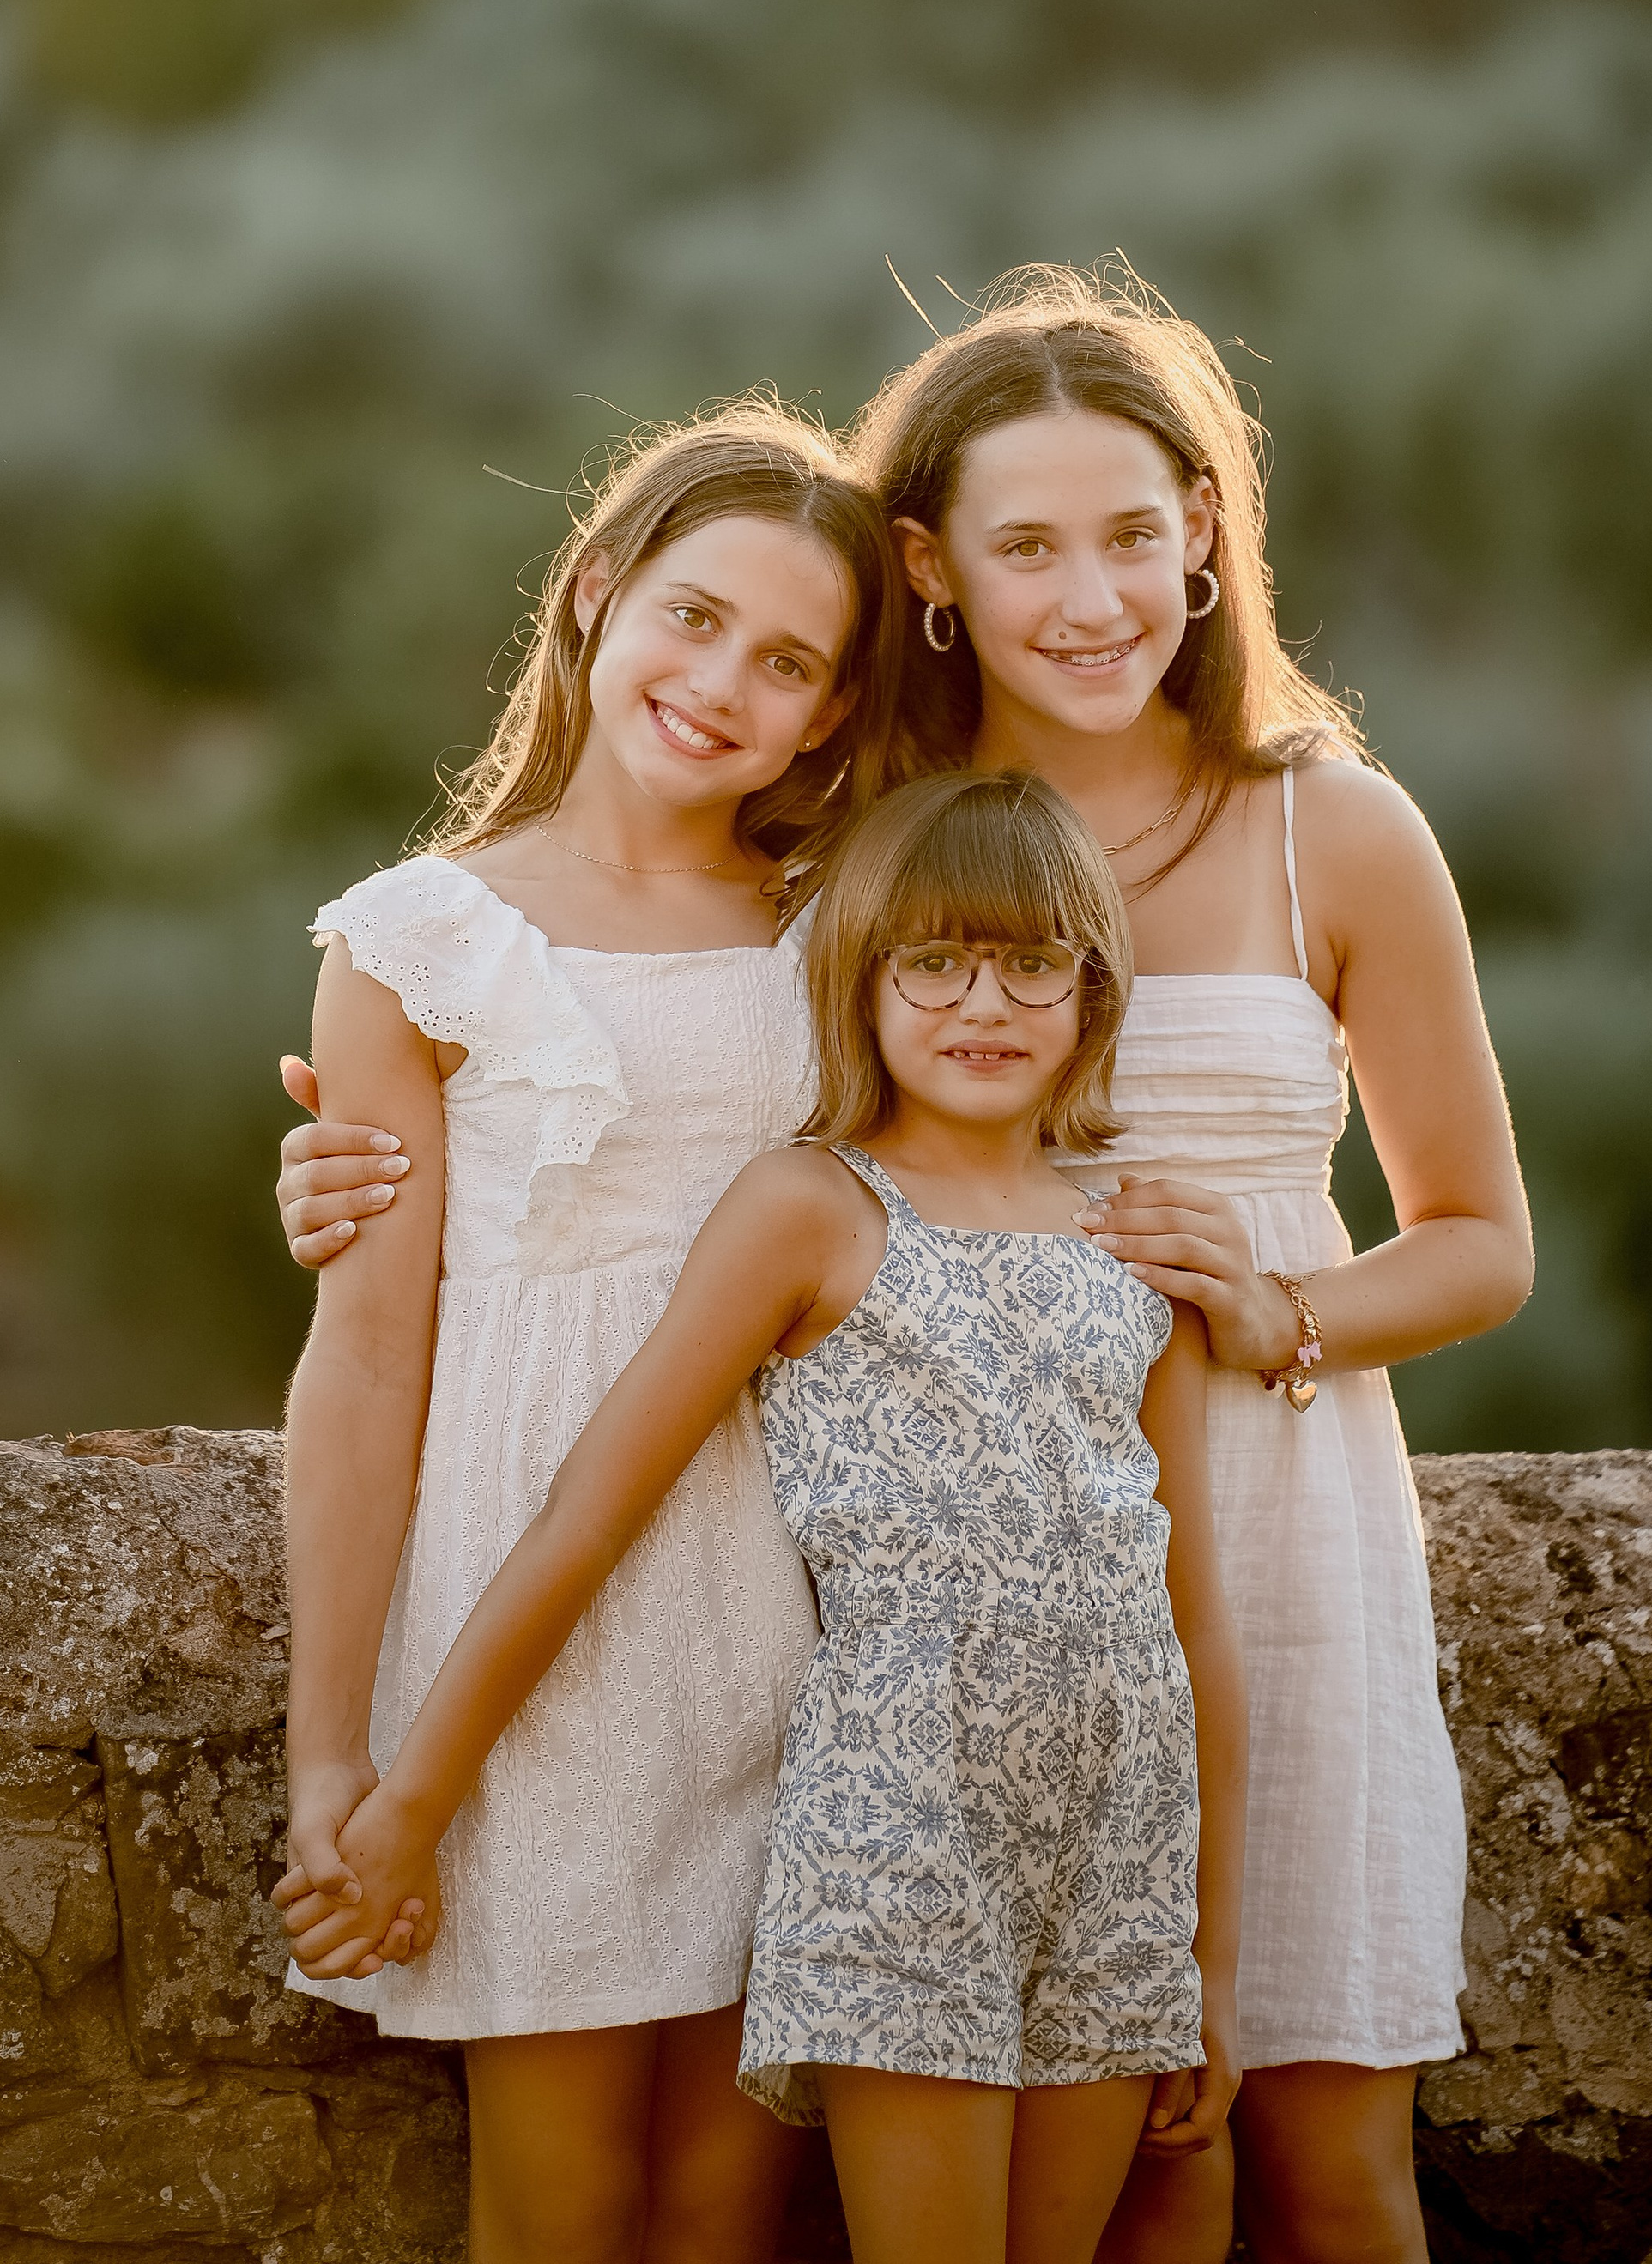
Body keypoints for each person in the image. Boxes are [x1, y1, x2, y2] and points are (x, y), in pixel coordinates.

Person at [280, 271, 1534, 2264]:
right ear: (936, 571)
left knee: (1307, 2151)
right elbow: (670, 1076)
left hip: (1261, 1510)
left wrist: (1278, 1309)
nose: (1090, 592)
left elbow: (1480, 1241)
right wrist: (374, 1158)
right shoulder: (883, 845)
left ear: (1210, 532)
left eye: (1133, 531)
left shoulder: (1331, 827)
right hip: (910, 1588)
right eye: (1023, 544)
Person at [279, 771, 1246, 2264]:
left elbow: (1196, 1627)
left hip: (1117, 1858)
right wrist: (404, 1805)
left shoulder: (1135, 1242)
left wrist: (1210, 1973)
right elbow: (584, 1520)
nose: (982, 1003)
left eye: (1032, 962)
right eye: (933, 962)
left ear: (1094, 988)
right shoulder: (813, 1208)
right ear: (858, 987)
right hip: (897, 1829)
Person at [273, 408, 905, 2264]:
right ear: (596, 595)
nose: (721, 684)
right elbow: (370, 1359)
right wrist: (332, 1755)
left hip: (786, 1609)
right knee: (560, 2204)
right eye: (693, 618)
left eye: (785, 662)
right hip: (513, 1631)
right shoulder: (419, 944)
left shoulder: (838, 935)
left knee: (729, 2210)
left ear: (828, 718)